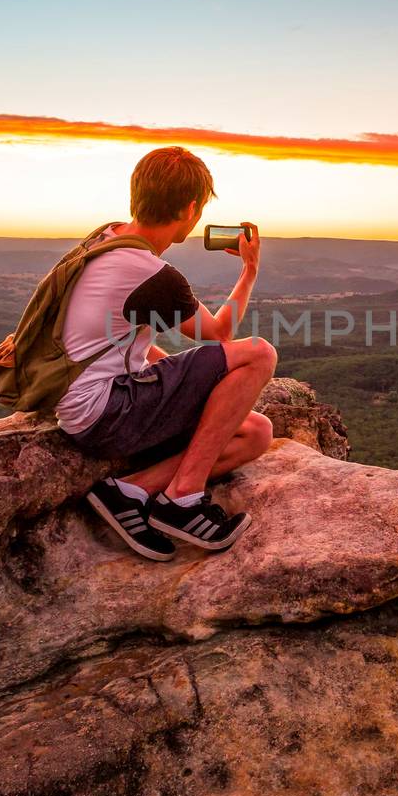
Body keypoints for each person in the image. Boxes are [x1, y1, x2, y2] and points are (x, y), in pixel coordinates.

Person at [58, 146, 277, 561]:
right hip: (107, 415)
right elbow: (218, 334)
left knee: (255, 432)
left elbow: (115, 339)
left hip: (85, 406)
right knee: (258, 354)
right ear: (191, 208)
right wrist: (249, 271)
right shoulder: (150, 273)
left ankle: (130, 492)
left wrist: (179, 378)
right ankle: (182, 499)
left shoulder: (102, 243)